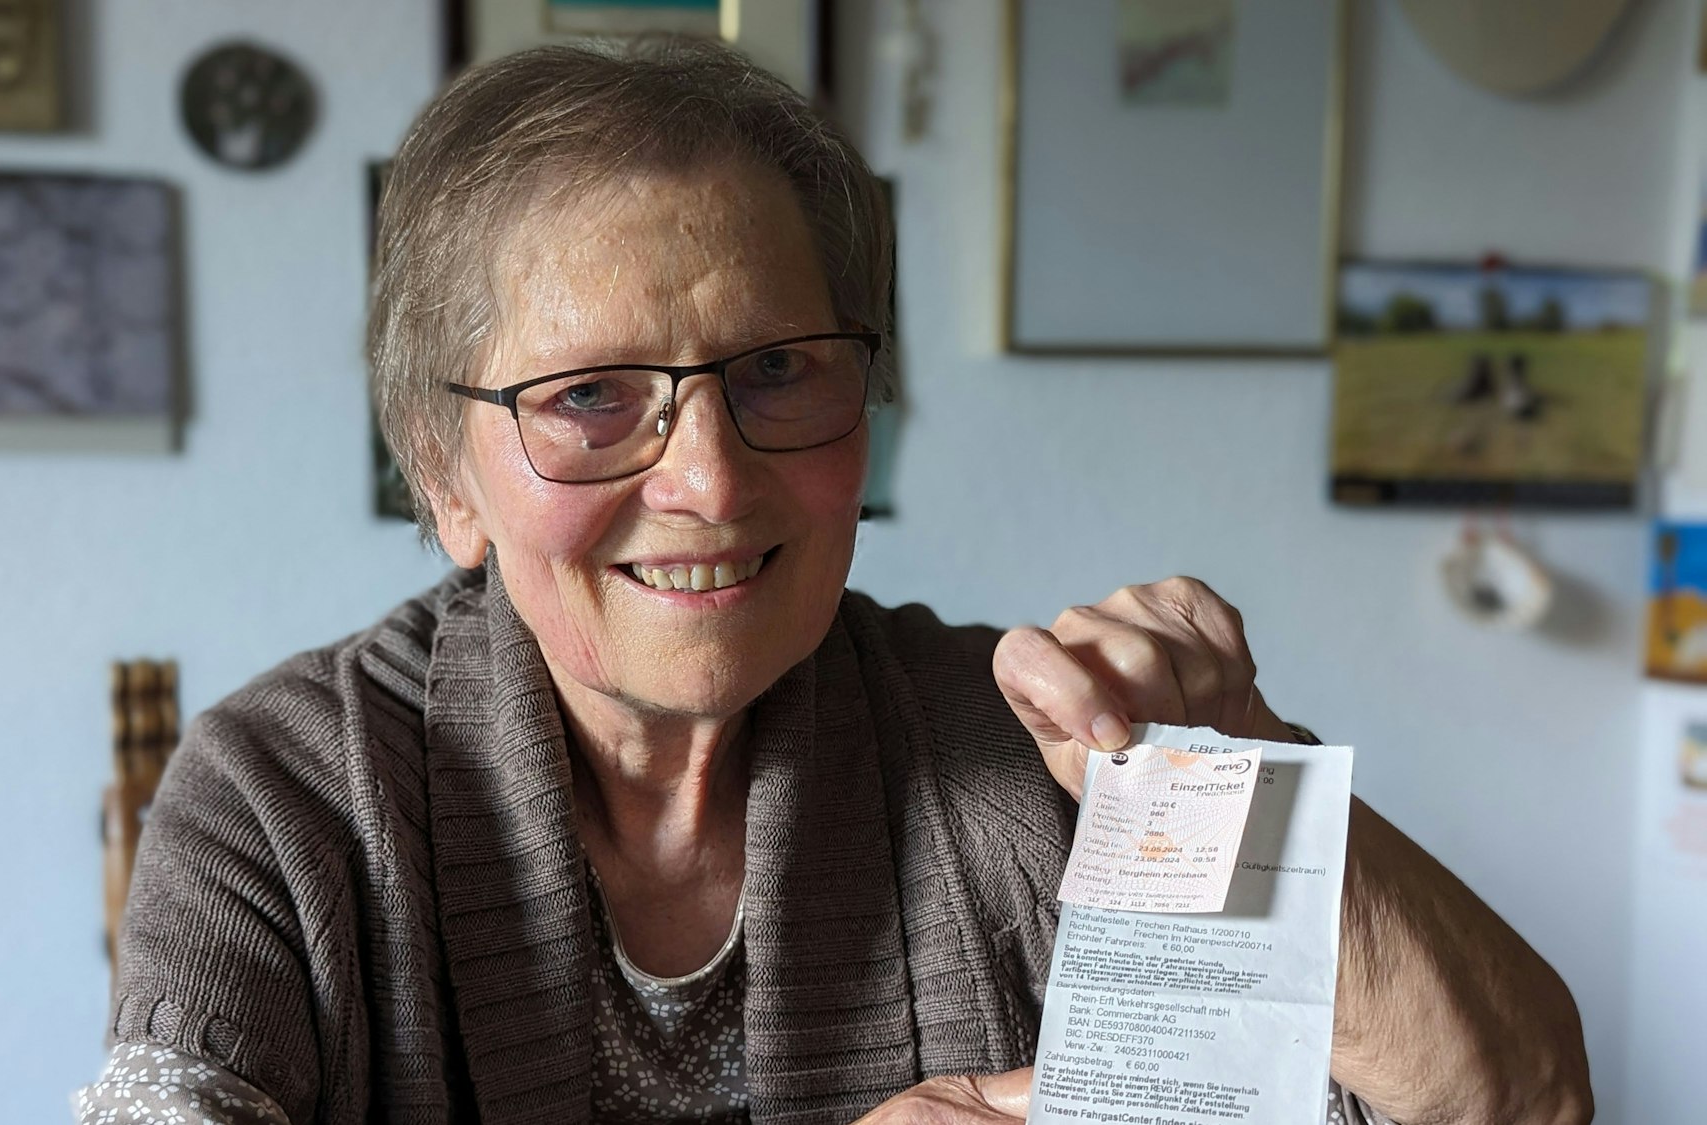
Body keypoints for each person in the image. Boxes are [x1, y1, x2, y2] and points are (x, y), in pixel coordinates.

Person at [77, 37, 1592, 1125]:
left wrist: (1243, 782)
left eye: (781, 369)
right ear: (444, 472)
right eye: (596, 394)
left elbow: (1518, 1095)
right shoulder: (285, 794)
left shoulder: (1018, 755)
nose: (713, 478)